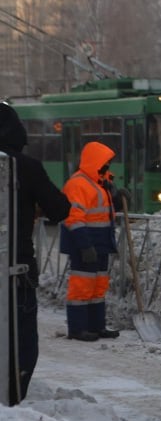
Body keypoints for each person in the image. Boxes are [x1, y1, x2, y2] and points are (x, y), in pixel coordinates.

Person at [0, 104, 71, 402]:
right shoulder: (26, 167)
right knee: (21, 339)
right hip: (16, 269)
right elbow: (59, 208)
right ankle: (13, 400)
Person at [61, 142, 119, 343]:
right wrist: (84, 246)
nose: (108, 166)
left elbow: (102, 211)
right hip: (84, 244)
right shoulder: (78, 184)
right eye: (105, 162)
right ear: (95, 162)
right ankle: (77, 328)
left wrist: (117, 198)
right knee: (81, 287)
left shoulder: (98, 183)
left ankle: (97, 326)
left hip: (100, 243)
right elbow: (74, 218)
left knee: (98, 287)